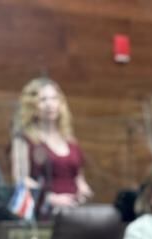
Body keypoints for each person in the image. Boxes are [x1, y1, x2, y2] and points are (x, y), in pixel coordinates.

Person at [11, 79, 92, 215]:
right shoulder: (25, 139)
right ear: (32, 105)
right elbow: (21, 180)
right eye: (43, 100)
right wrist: (50, 198)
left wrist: (83, 189)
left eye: (54, 98)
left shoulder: (70, 139)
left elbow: (78, 176)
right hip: (43, 212)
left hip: (73, 211)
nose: (50, 104)